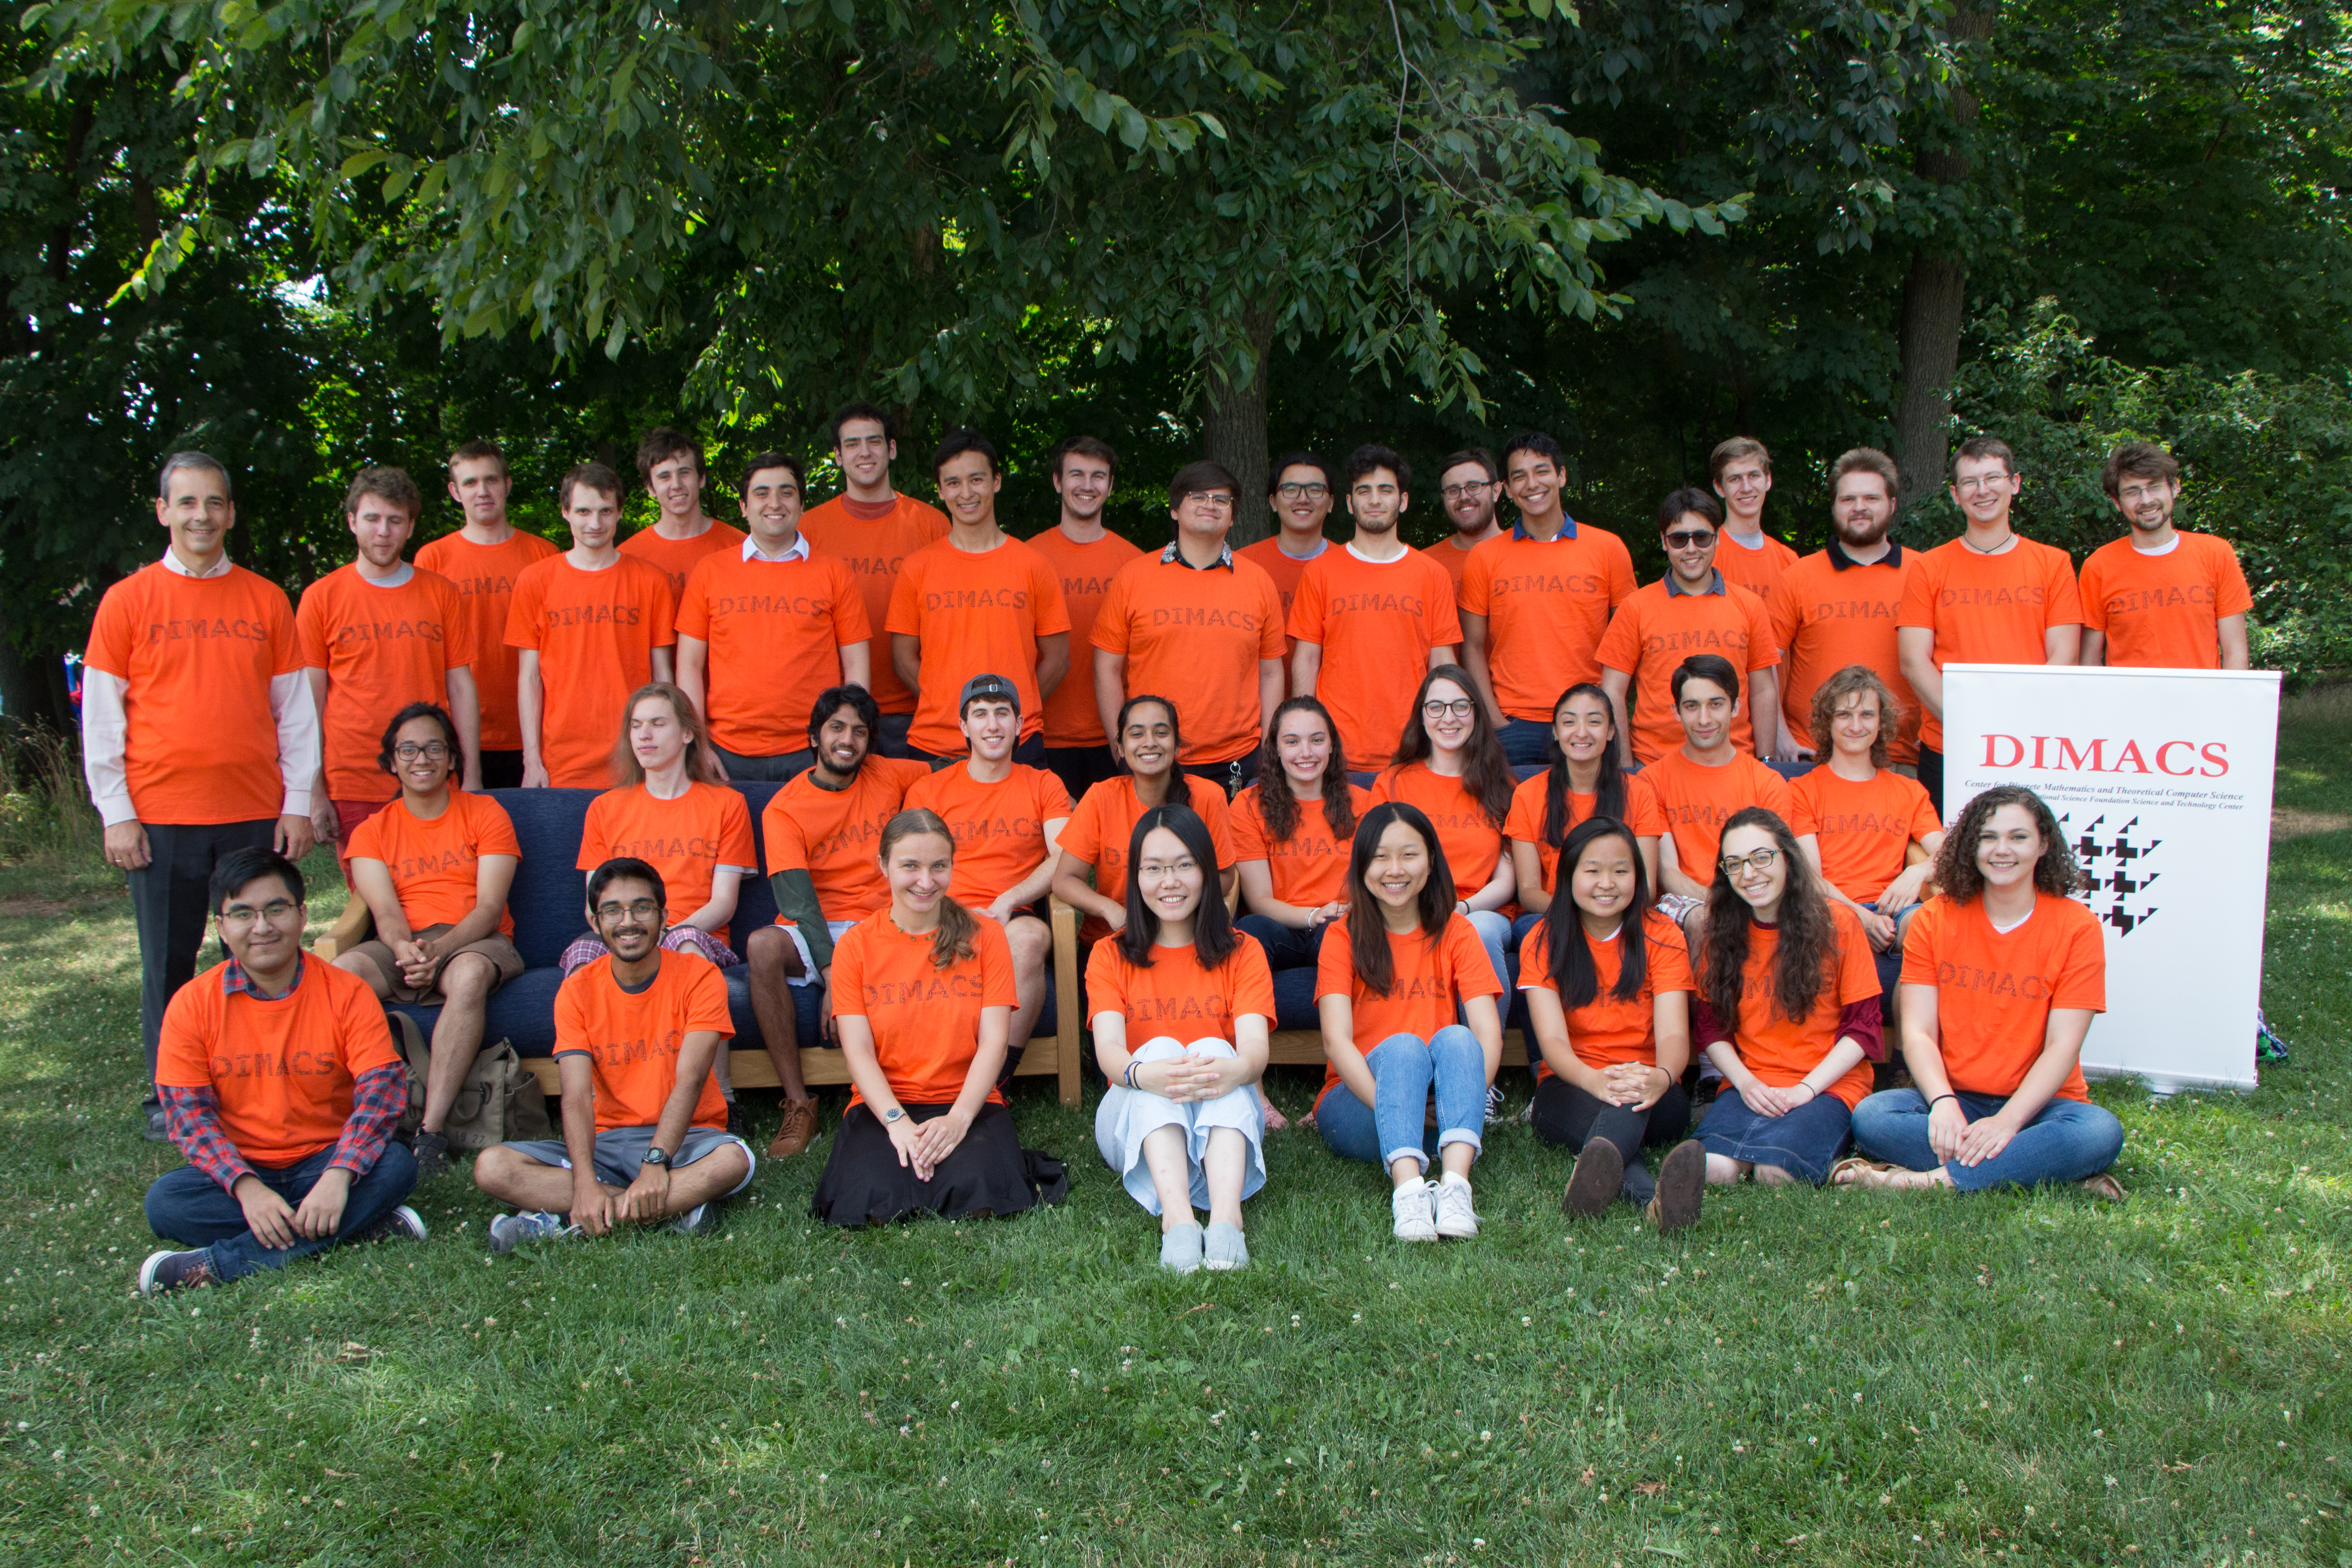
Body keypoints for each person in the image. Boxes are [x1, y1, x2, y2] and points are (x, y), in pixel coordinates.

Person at [84, 451, 320, 1142]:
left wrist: (298, 801)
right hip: (160, 817)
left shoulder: (265, 599)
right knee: (169, 958)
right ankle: (171, 1094)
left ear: (231, 513)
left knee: (257, 951)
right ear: (163, 510)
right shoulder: (128, 600)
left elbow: (295, 712)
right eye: (187, 503)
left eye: (214, 503)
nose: (201, 516)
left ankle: (250, 1081)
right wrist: (117, 810)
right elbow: (103, 714)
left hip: (251, 811)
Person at [138, 847, 421, 1294]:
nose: (263, 927)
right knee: (166, 1203)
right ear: (221, 926)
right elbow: (189, 1118)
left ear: (302, 914)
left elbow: (380, 1094)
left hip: (326, 1162)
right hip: (241, 1170)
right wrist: (247, 1188)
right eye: (243, 914)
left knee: (396, 1167)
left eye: (276, 909)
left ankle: (214, 1266)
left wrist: (338, 1177)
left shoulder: (347, 991)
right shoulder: (192, 1004)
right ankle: (360, 1224)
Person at [1842, 785, 2125, 1196]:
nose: (2001, 850)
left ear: (2043, 843)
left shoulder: (2076, 926)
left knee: (2099, 1130)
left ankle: (1932, 1182)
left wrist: (2007, 1122)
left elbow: (2062, 1046)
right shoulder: (1933, 919)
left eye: (2018, 837)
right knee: (1873, 1116)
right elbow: (1918, 1032)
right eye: (1987, 837)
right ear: (1970, 846)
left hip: (2040, 1107)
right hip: (1956, 1100)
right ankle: (2042, 1170)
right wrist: (1940, 1102)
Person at [476, 858, 753, 1248]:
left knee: (732, 1162)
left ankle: (563, 1222)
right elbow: (575, 1094)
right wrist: (586, 1181)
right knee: (492, 1167)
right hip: (607, 1142)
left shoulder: (699, 976)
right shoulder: (576, 990)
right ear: (595, 922)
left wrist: (657, 1161)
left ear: (663, 917)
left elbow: (689, 1080)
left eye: (642, 907)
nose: (628, 922)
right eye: (612, 910)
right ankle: (672, 1207)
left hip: (689, 1137)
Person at [811, 810, 1068, 1225]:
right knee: (868, 1204)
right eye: (910, 866)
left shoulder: (986, 937)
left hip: (969, 1097)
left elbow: (994, 1042)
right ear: (883, 866)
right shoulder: (855, 946)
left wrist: (958, 1120)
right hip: (886, 1103)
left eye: (938, 866)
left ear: (952, 865)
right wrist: (897, 1123)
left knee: (981, 1199)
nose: (926, 881)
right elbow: (857, 1051)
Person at [337, 703, 525, 1182]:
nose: (422, 758)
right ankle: (348, 1117)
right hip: (405, 942)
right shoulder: (372, 832)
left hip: (473, 939)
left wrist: (439, 953)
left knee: (468, 974)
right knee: (341, 977)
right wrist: (405, 950)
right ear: (392, 762)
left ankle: (430, 1132)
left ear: (452, 759)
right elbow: (384, 914)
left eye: (434, 747)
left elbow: (487, 908)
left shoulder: (485, 813)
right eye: (409, 749)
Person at [1089, 804, 1275, 1272]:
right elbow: (1110, 1053)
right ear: (1135, 878)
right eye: (1153, 869)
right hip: (1133, 1116)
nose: (1168, 881)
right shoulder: (1109, 954)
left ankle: (1227, 1220)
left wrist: (1233, 1069)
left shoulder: (1243, 950)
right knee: (1161, 1049)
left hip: (1221, 1112)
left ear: (1208, 872)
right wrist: (1147, 1073)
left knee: (1215, 1049)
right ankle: (1179, 1222)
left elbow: (1254, 1050)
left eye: (1183, 865)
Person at [750, 685, 932, 1159]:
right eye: (836, 728)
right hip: (817, 926)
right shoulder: (784, 808)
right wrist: (835, 975)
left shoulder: (887, 775)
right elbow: (800, 903)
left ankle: (910, 1092)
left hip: (881, 921)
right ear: (814, 737)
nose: (848, 739)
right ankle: (798, 1104)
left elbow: (946, 775)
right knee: (762, 947)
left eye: (859, 731)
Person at [1312, 802, 1506, 1242]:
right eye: (1380, 856)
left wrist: (1467, 1096)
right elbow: (1336, 1041)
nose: (1394, 869)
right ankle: (1408, 1192)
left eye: (1409, 854)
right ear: (1361, 864)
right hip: (1357, 1103)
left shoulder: (1456, 931)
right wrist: (1399, 1107)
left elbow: (1487, 1035)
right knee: (1403, 1046)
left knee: (1458, 1038)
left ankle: (1457, 1186)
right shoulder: (1342, 936)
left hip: (1435, 1101)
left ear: (1431, 860)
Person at [1520, 817, 1706, 1229]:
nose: (1608, 882)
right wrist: (1594, 1081)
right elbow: (1551, 1041)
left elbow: (1674, 1033)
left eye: (1621, 870)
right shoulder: (1543, 939)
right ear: (1568, 876)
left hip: (1652, 1090)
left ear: (1637, 877)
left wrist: (1660, 1075)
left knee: (1627, 1100)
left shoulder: (1663, 935)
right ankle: (1651, 1203)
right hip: (1570, 1087)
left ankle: (1587, 1182)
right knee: (1616, 1108)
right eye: (1593, 870)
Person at [296, 466, 480, 871]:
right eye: (372, 519)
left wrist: (471, 775)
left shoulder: (441, 593)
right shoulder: (320, 598)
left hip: (432, 772)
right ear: (352, 522)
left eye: (395, 520)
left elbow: (461, 687)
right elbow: (308, 703)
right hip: (353, 776)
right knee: (370, 906)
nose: (383, 531)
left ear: (411, 526)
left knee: (441, 892)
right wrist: (312, 790)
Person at [1689, 809, 1883, 1187]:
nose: (1749, 874)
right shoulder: (1721, 930)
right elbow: (1712, 1028)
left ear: (1788, 858)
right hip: (1753, 1082)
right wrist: (1745, 1084)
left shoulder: (1839, 923)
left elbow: (1863, 1028)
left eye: (1761, 857)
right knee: (1713, 1171)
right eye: (1734, 863)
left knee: (1775, 1174)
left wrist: (1804, 1090)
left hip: (1828, 1084)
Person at [1896, 436, 2084, 812]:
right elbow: (1914, 661)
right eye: (1969, 482)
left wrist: (2008, 732)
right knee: (1949, 862)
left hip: (2030, 747)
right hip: (1949, 745)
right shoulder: (1928, 567)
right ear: (1954, 493)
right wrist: (1973, 725)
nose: (1981, 490)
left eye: (1992, 478)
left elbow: (2063, 657)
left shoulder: (2053, 564)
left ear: (2014, 483)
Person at [903, 675, 1073, 1062]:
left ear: (1019, 725)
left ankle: (997, 1080)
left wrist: (1008, 901)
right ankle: (943, 1070)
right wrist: (950, 913)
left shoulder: (1043, 784)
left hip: (1014, 914)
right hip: (941, 911)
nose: (992, 725)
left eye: (1002, 713)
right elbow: (912, 866)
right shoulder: (931, 790)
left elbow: (1065, 854)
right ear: (964, 727)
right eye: (979, 714)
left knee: (1030, 938)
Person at [675, 451, 872, 782]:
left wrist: (846, 740)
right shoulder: (710, 571)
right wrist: (699, 746)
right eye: (761, 493)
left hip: (813, 750)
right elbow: (689, 666)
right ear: (743, 506)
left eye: (786, 492)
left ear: (801, 504)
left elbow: (856, 666)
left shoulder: (834, 572)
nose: (775, 503)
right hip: (727, 753)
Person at [1093, 461, 1286, 796]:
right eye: (1197, 496)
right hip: (1153, 758)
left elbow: (1270, 673)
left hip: (1238, 763)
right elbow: (1106, 668)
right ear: (1174, 510)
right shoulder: (1133, 577)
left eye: (1221, 500)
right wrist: (1120, 748)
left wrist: (1269, 750)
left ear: (1233, 516)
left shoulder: (1258, 582)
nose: (1210, 504)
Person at [887, 429, 1071, 764]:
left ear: (996, 481)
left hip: (1018, 742)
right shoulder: (917, 568)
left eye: (977, 479)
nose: (966, 493)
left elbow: (1057, 660)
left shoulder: (1033, 564)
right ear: (940, 490)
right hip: (936, 743)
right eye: (954, 483)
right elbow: (903, 659)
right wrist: (947, 704)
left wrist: (1013, 711)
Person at [1460, 431, 1637, 767]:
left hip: (1588, 718)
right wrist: (1495, 720)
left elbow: (1629, 639)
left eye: (1541, 471)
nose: (1531, 484)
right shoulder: (1484, 557)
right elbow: (1471, 645)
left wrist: (1608, 709)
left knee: (1596, 819)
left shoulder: (1608, 548)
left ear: (1561, 475)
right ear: (1508, 491)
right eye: (1519, 476)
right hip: (1513, 724)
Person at [505, 461, 678, 787]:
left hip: (636, 752)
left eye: (605, 511)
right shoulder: (535, 581)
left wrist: (669, 754)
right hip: (562, 758)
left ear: (619, 512)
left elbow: (662, 675)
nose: (595, 523)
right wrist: (532, 760)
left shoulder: (650, 580)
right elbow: (529, 678)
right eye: (583, 511)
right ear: (565, 511)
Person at [1290, 444, 1463, 766]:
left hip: (1412, 747)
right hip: (1338, 751)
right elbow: (1307, 658)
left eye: (1385, 490)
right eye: (1363, 491)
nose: (1374, 500)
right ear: (1349, 503)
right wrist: (1306, 733)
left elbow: (1441, 664)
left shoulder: (1431, 574)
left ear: (1403, 500)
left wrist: (1442, 735)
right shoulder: (1320, 572)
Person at [569, 685, 756, 977]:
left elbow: (723, 904)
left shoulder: (728, 804)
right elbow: (595, 906)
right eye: (636, 725)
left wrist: (665, 936)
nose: (644, 734)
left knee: (685, 947)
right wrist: (634, 938)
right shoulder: (604, 808)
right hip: (622, 935)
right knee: (582, 958)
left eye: (658, 724)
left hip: (694, 932)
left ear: (687, 734)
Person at [799, 403, 950, 756]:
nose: (864, 452)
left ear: (892, 449)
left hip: (917, 707)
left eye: (874, 441)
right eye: (852, 444)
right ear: (837, 456)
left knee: (917, 813)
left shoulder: (930, 524)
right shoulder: (809, 530)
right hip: (837, 711)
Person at [1789, 666, 1944, 998]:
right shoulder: (1802, 790)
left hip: (1893, 911)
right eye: (1844, 714)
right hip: (1827, 909)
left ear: (1881, 722)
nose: (1856, 726)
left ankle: (1909, 1050)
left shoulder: (1909, 791)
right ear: (1827, 721)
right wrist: (1861, 918)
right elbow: (1808, 877)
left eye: (1867, 714)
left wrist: (1918, 870)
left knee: (1936, 925)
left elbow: (1951, 852)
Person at [1597, 489, 1781, 767]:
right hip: (1655, 765)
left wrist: (1766, 762)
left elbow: (1763, 690)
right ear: (1664, 542)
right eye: (1680, 539)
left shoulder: (1750, 605)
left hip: (1735, 763)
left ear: (1717, 539)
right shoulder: (1635, 607)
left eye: (1702, 537)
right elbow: (1612, 691)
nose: (1691, 549)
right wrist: (1624, 769)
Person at [1765, 448, 1920, 770]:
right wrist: (1778, 733)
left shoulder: (1924, 572)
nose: (1859, 508)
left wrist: (1937, 724)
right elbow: (1764, 664)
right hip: (1812, 755)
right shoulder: (1797, 576)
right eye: (1848, 499)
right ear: (1834, 506)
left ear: (1892, 504)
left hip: (1900, 758)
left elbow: (1944, 656)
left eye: (1871, 498)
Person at [419, 440, 559, 788]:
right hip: (460, 732)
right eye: (470, 483)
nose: (482, 491)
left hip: (536, 730)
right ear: (454, 491)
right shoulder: (432, 560)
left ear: (507, 485)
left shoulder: (544, 554)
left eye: (491, 480)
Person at [1371, 666, 1517, 991]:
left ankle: (1485, 1042)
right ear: (1421, 716)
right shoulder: (1393, 783)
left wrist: (1461, 908)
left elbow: (1506, 881)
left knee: (1476, 930)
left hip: (1479, 911)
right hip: (1409, 907)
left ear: (1476, 714)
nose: (1448, 718)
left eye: (1460, 706)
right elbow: (1377, 864)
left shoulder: (1502, 787)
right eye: (1436, 707)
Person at [1052, 695, 1237, 945]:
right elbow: (1065, 880)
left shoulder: (1207, 797)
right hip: (1113, 939)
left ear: (1177, 743)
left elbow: (1225, 876)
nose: (1150, 743)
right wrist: (1112, 910)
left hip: (1185, 939)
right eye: (1137, 734)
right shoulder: (1101, 797)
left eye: (1161, 733)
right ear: (1120, 746)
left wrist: (1170, 914)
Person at [1637, 656, 1797, 944]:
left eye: (1716, 704)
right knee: (1703, 920)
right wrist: (1719, 904)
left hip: (1755, 892)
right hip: (1687, 902)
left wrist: (1742, 902)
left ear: (1736, 707)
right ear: (1676, 711)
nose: (1704, 720)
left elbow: (1776, 864)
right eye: (1692, 706)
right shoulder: (1652, 781)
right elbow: (1667, 871)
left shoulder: (1767, 783)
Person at [1027, 435, 1142, 799]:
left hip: (1116, 736)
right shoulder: (1026, 558)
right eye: (1077, 474)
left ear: (1110, 485)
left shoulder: (1136, 564)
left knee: (1116, 851)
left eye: (1098, 476)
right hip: (1041, 733)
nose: (1087, 485)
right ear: (1058, 482)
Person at [1505, 682, 1665, 941]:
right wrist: (1578, 915)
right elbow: (1529, 889)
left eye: (1594, 722)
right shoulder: (1528, 794)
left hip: (1621, 911)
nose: (1581, 733)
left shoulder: (1639, 792)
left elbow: (1645, 887)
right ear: (1556, 732)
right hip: (1555, 914)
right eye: (1569, 723)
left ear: (1611, 731)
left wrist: (1603, 916)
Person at [2079, 440, 2253, 671]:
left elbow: (2236, 652)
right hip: (2128, 705)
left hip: (2203, 703)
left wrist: (2227, 705)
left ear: (2175, 487)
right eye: (2133, 492)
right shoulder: (2098, 567)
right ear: (2116, 502)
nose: (2147, 500)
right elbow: (2089, 661)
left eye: (2155, 487)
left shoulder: (2217, 554)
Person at [1233, 696, 1374, 970]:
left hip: (1342, 923)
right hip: (1281, 928)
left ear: (1332, 744)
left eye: (1317, 740)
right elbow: (1259, 899)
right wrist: (1313, 915)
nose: (1306, 752)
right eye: (1293, 742)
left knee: (1341, 931)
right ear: (1276, 747)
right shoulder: (1248, 805)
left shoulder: (1366, 803)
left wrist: (1338, 913)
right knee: (1250, 928)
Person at [618, 426, 746, 600]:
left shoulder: (740, 547)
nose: (676, 484)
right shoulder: (628, 557)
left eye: (684, 473)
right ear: (650, 488)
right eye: (665, 477)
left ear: (701, 479)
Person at [1236, 451, 1337, 668]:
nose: (1303, 498)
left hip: (1329, 699)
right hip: (1258, 697)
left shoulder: (1349, 565)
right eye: (1291, 490)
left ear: (1331, 503)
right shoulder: (1242, 565)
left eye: (1315, 490)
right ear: (1273, 501)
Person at [1709, 437, 1799, 597]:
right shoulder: (1708, 556)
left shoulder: (1789, 561)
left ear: (1768, 480)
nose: (1746, 488)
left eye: (1754, 476)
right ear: (1719, 488)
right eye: (1735, 479)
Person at [1421, 447, 1505, 591]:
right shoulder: (1426, 564)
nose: (1464, 497)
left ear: (1496, 491)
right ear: (1443, 498)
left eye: (1473, 487)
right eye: (1453, 491)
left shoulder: (1524, 554)